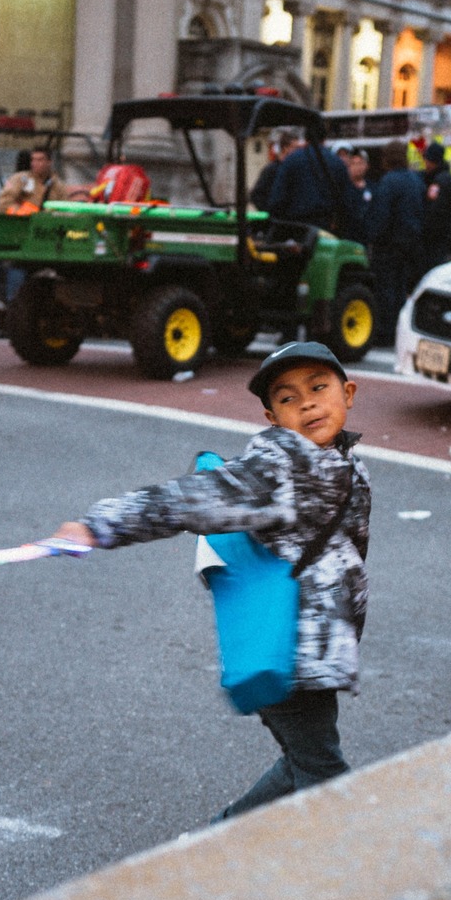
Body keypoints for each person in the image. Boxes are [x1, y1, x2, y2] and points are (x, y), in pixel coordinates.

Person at [52, 342, 370, 818]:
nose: (306, 403)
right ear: (271, 416)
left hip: (314, 651)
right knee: (324, 775)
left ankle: (221, 836)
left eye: (318, 388)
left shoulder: (344, 463)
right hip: (289, 654)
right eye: (287, 398)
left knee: (303, 763)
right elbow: (190, 499)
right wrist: (100, 525)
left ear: (348, 393)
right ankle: (363, 872)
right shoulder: (281, 471)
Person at [0, 147, 68, 337]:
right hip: (9, 233)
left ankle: (16, 323)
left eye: (40, 159)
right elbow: (5, 204)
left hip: (37, 240)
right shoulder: (21, 180)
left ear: (49, 162)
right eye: (33, 160)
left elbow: (64, 210)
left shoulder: (58, 186)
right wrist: (28, 214)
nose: (35, 164)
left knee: (18, 278)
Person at [366, 142, 425, 338]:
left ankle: (386, 330)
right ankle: (399, 330)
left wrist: (371, 235)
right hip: (411, 244)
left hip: (389, 244)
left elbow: (381, 215)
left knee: (385, 287)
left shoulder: (388, 181)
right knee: (401, 289)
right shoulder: (416, 180)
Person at [267, 136, 356, 234]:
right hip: (326, 226)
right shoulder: (337, 162)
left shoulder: (291, 160)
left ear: (305, 139)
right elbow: (347, 202)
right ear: (324, 140)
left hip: (295, 227)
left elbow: (276, 200)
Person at [420, 141, 451, 273]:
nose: (425, 164)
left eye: (427, 160)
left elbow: (435, 213)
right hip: (445, 241)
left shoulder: (440, 182)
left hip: (437, 242)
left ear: (434, 160)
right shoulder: (447, 179)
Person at [251, 128, 300, 213]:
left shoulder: (295, 169)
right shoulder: (271, 170)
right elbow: (256, 195)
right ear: (286, 148)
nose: (298, 152)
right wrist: (270, 212)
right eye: (295, 148)